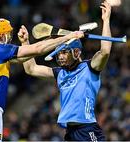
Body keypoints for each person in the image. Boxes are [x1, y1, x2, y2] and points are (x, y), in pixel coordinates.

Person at [0, 18, 84, 141]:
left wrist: (25, 42)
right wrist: (68, 37)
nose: (8, 38)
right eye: (6, 34)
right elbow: (38, 49)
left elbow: (23, 57)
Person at [23, 1, 111, 141]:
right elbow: (31, 69)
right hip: (70, 132)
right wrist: (25, 43)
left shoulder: (90, 68)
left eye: (64, 53)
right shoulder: (60, 73)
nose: (60, 57)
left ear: (76, 52)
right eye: (58, 54)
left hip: (87, 128)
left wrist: (106, 21)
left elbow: (105, 52)